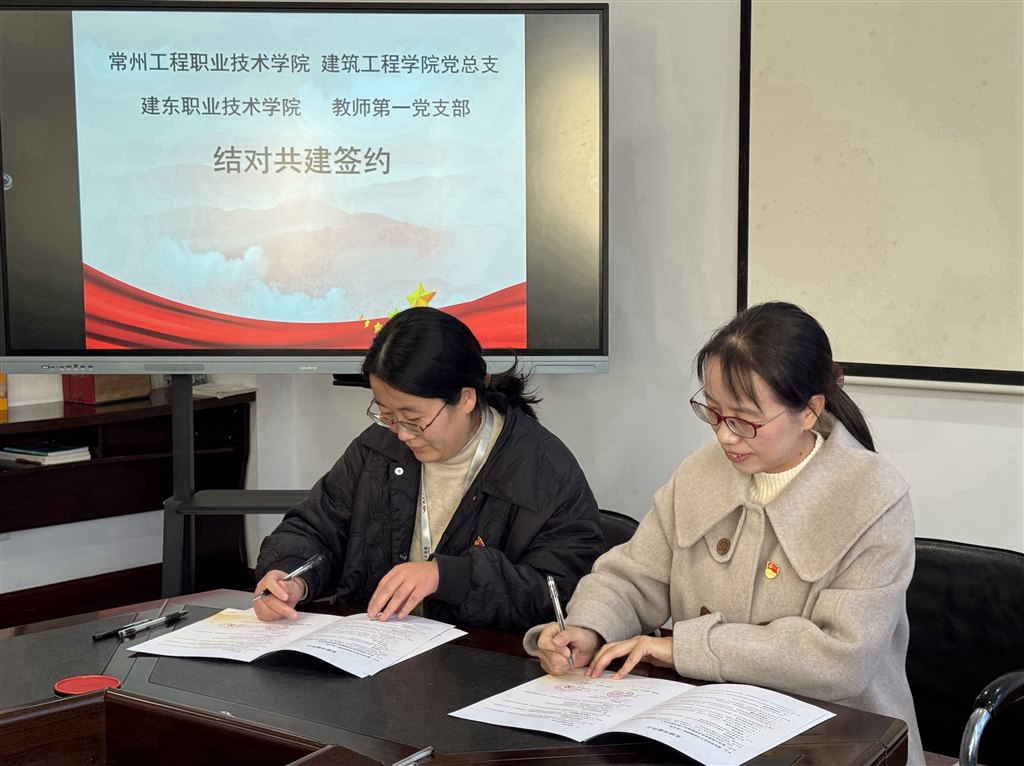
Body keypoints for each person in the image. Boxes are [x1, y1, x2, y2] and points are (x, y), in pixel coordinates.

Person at [524, 301, 925, 765]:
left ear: (810, 410)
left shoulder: (873, 497)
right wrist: (589, 628)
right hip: (706, 730)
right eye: (713, 412)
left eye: (745, 420)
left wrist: (683, 648)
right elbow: (632, 577)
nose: (725, 436)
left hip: (841, 742)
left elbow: (842, 658)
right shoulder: (700, 473)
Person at [254, 306, 603, 632]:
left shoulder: (542, 471)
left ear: (465, 398)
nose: (402, 434)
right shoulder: (377, 449)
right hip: (372, 646)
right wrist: (290, 574)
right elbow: (316, 526)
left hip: (479, 659)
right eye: (387, 415)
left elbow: (558, 595)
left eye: (413, 418)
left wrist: (447, 576)